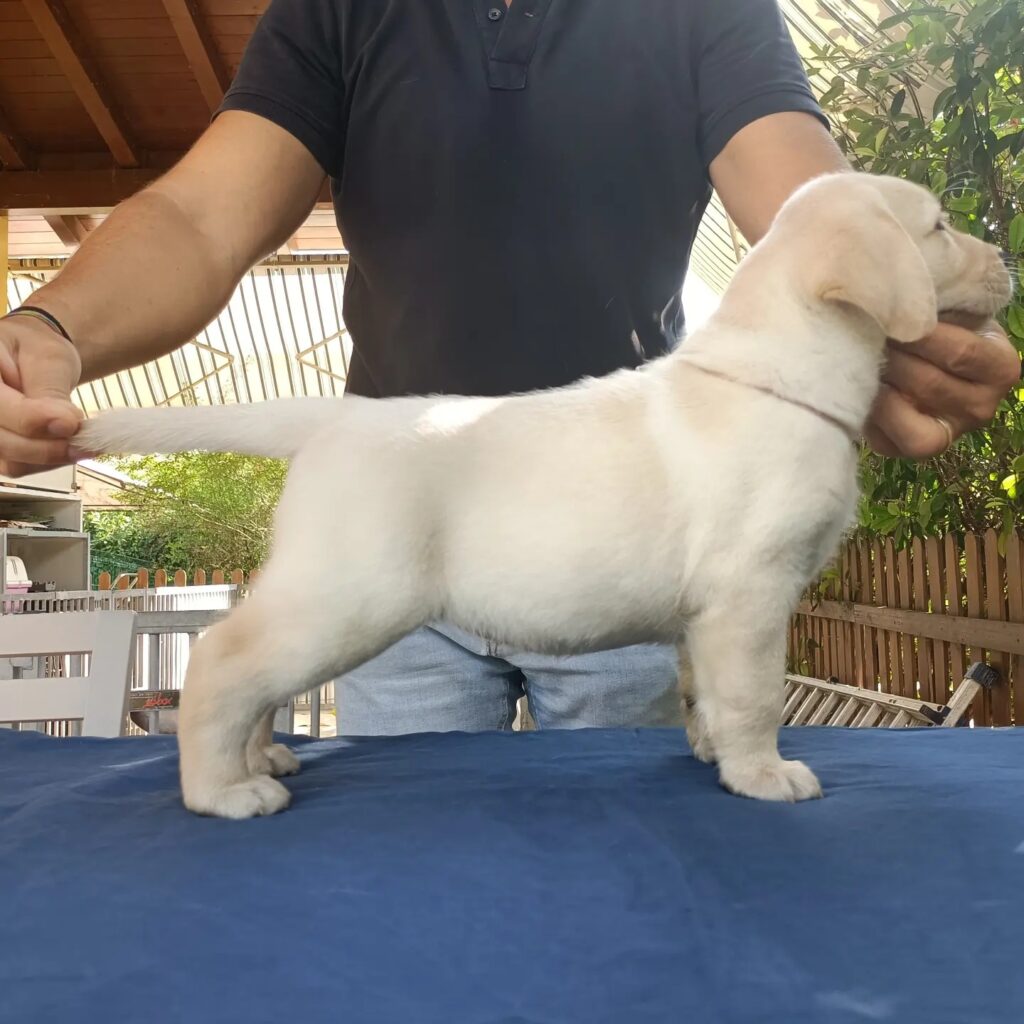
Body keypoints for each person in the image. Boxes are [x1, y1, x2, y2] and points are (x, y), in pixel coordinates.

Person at [1, 1, 1018, 735]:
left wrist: (886, 283)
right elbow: (196, 214)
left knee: (628, 872)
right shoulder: (334, 11)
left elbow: (809, 198)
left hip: (628, 539)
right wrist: (52, 323)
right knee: (411, 879)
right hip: (403, 511)